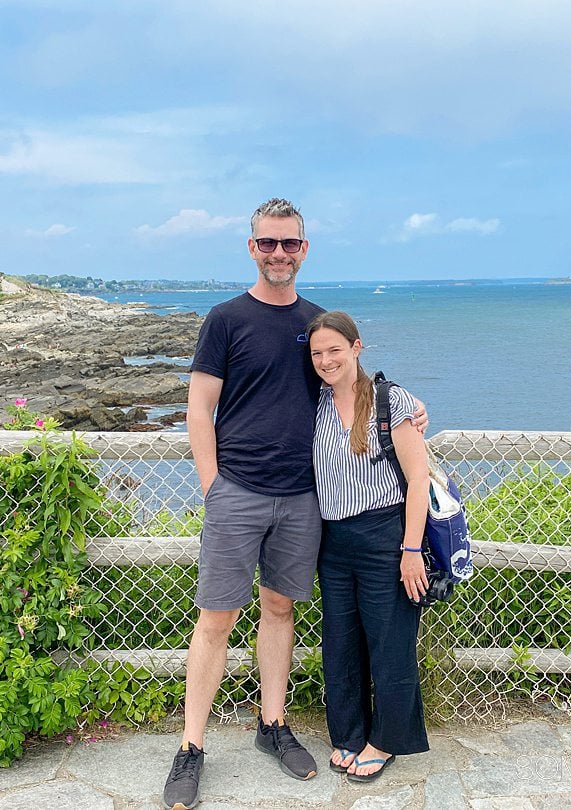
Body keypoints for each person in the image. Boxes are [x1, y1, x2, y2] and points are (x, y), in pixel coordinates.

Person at [162, 200, 425, 810]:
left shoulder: (315, 325)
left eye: (289, 244)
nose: (278, 253)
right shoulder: (226, 319)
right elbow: (199, 409)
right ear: (251, 247)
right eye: (267, 243)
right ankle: (191, 746)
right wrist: (213, 487)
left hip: (303, 500)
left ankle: (272, 725)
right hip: (237, 492)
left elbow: (351, 382)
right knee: (216, 619)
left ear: (304, 250)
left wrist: (409, 406)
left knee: (279, 610)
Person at [307, 310, 431, 783]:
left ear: (357, 348)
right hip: (333, 541)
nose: (326, 360)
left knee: (389, 643)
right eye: (317, 353)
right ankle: (350, 732)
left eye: (335, 350)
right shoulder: (314, 402)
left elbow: (417, 478)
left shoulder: (390, 401)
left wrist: (411, 549)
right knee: (340, 643)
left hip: (386, 537)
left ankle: (386, 740)